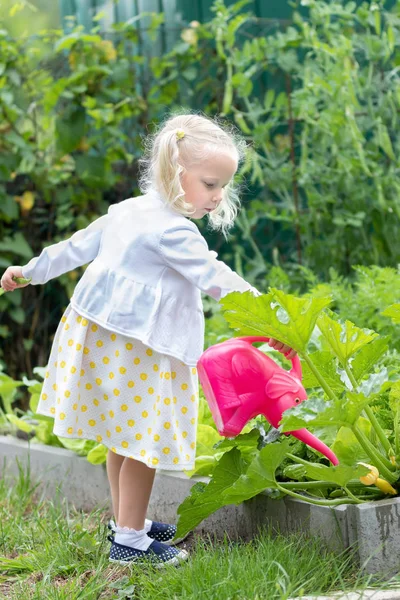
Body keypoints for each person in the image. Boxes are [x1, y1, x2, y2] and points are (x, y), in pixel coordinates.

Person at [1, 113, 295, 567]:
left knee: (123, 438)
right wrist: (270, 319)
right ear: (176, 173)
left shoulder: (130, 210)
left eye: (222, 187)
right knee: (143, 443)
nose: (218, 197)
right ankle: (130, 541)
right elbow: (216, 278)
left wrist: (31, 271)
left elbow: (78, 245)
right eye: (211, 184)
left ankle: (125, 522)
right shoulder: (174, 231)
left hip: (105, 339)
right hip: (142, 349)